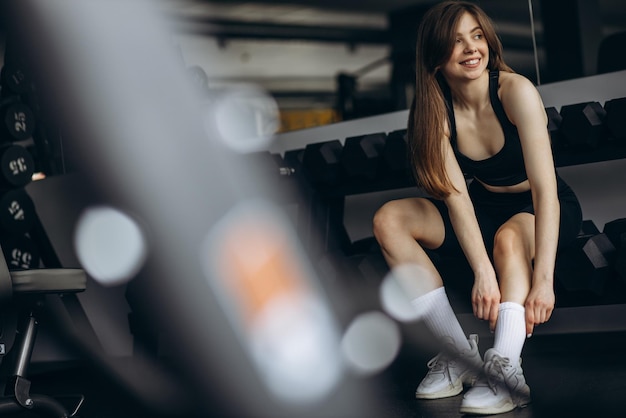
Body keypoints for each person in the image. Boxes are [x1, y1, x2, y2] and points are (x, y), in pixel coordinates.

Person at [372, 1, 582, 415]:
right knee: (389, 219)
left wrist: (544, 281)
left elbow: (546, 191)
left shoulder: (514, 91)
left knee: (508, 238)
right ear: (434, 57)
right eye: (455, 42)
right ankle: (456, 356)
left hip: (541, 207)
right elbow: (457, 198)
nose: (471, 49)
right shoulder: (436, 113)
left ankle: (505, 370)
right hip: (484, 206)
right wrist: (482, 273)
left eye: (477, 36)